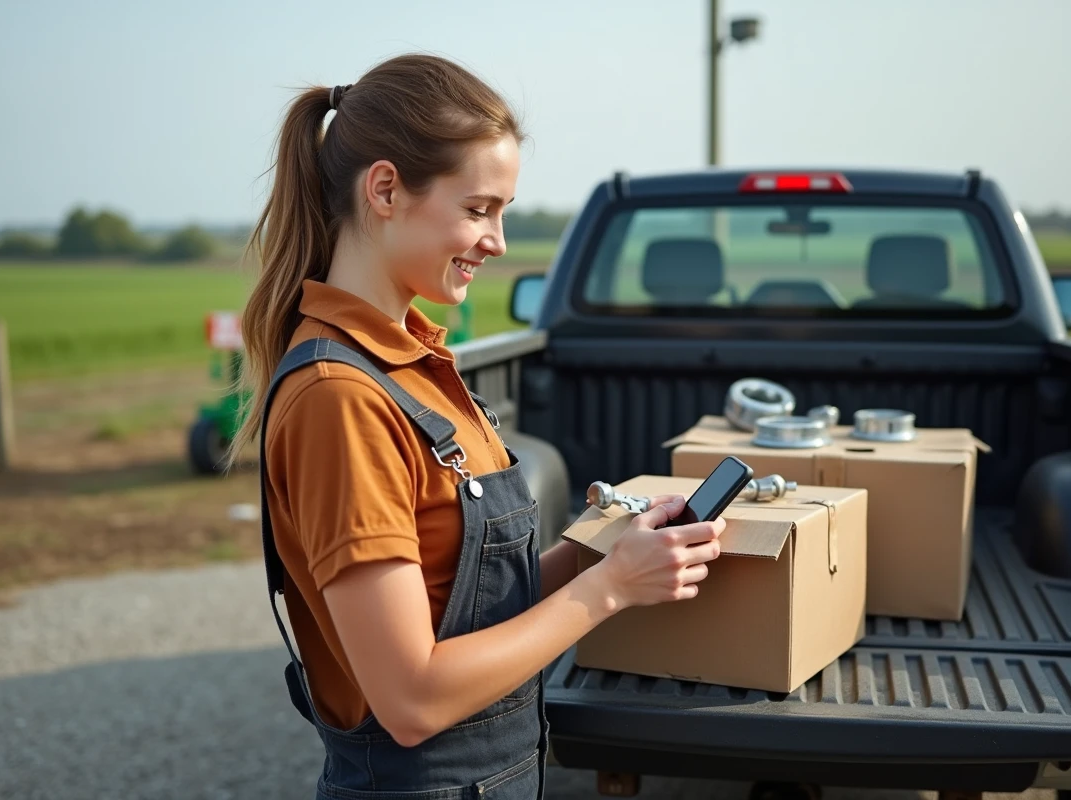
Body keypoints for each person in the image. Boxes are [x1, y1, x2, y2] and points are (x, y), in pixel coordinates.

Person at [227, 53, 725, 800]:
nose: (495, 240)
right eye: (479, 208)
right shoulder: (341, 400)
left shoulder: (415, 362)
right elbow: (412, 697)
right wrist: (610, 590)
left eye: (503, 212)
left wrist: (599, 556)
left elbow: (464, 600)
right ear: (386, 189)